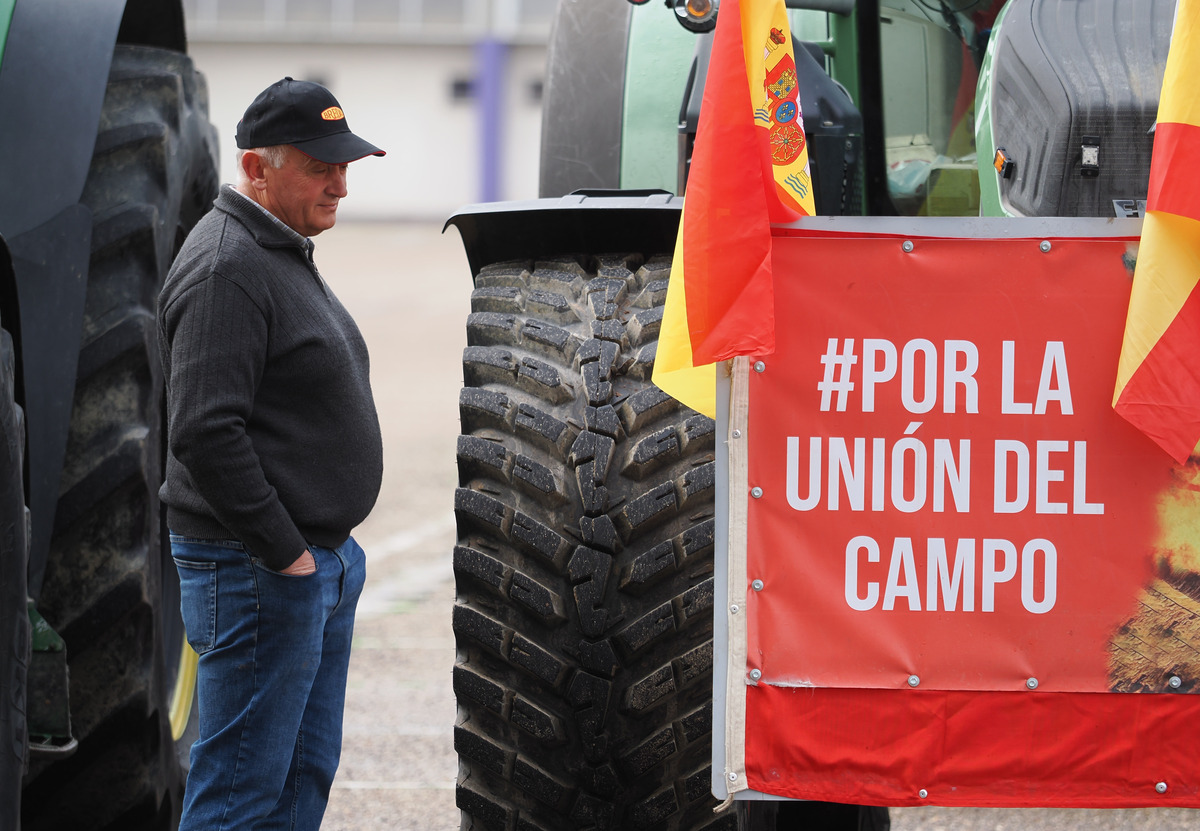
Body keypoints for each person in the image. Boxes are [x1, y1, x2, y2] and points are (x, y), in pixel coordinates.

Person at [157, 77, 386, 830]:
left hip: (309, 564)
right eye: (321, 167)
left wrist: (323, 559)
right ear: (258, 168)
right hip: (259, 570)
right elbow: (204, 431)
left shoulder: (277, 248)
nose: (340, 184)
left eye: (345, 166)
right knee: (238, 795)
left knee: (299, 777)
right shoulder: (229, 265)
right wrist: (287, 557)